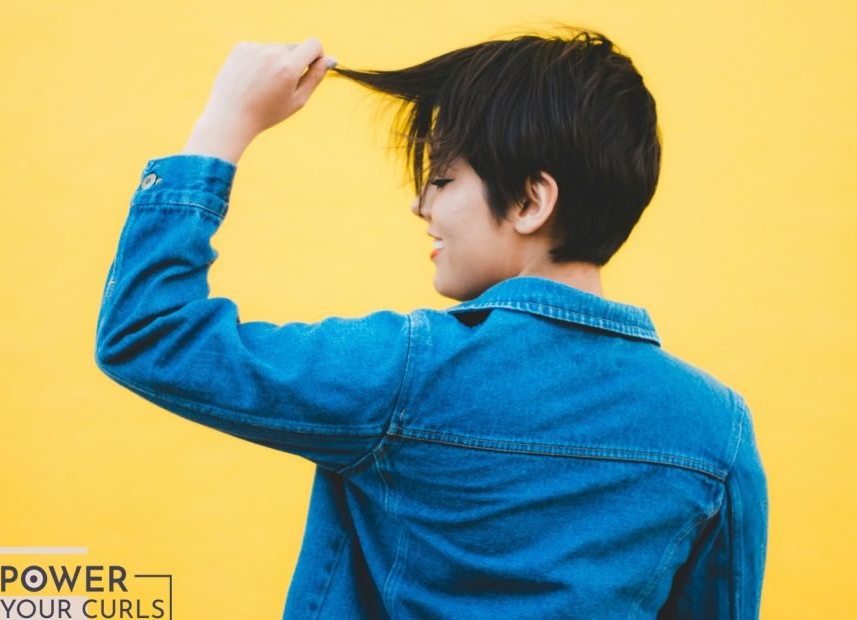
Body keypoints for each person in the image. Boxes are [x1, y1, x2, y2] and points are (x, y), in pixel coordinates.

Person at [95, 26, 768, 619]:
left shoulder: (408, 372)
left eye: (442, 179)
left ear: (531, 200)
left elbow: (148, 333)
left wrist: (224, 123)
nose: (421, 204)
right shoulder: (717, 429)